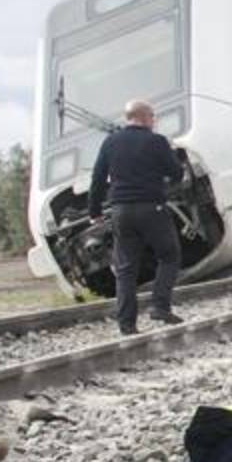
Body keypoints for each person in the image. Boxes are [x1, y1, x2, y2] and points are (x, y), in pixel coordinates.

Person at [89, 99, 185, 335]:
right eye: (153, 117)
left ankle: (127, 325)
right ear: (145, 117)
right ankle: (160, 306)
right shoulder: (157, 141)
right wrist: (167, 174)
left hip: (121, 211)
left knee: (125, 269)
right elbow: (176, 172)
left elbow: (98, 179)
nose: (154, 121)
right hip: (152, 208)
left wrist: (95, 212)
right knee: (169, 255)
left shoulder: (110, 142)